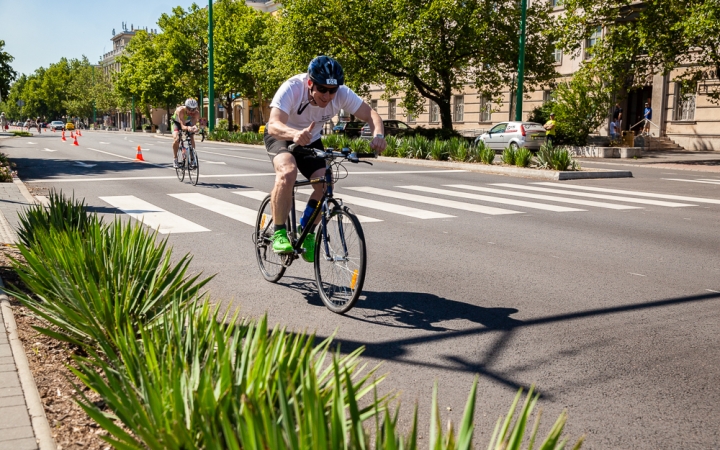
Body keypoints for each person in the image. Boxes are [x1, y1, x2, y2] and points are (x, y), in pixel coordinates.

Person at [265, 55, 386, 262]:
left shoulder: (342, 94)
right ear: (310, 83)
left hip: (310, 139)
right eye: (322, 89)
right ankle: (279, 232)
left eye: (332, 90)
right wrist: (294, 134)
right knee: (287, 172)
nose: (328, 95)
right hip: (283, 135)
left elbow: (371, 115)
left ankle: (307, 231)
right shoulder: (292, 87)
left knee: (325, 184)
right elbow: (273, 125)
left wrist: (378, 135)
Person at [171, 98, 201, 168]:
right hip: (176, 123)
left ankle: (192, 159)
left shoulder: (196, 113)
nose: (191, 111)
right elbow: (182, 126)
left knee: (191, 137)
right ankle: (175, 159)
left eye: (193, 109)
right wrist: (188, 128)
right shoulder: (180, 110)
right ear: (186, 107)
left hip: (187, 123)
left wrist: (194, 128)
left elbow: (193, 124)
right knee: (176, 139)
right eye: (189, 109)